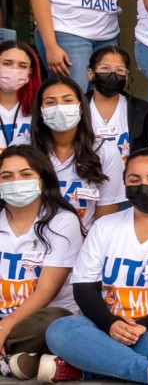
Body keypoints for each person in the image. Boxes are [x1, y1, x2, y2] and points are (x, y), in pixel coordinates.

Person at [43, 148, 148, 385]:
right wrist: (110, 324)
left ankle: (90, 367)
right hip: (109, 326)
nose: (144, 186)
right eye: (134, 180)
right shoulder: (104, 226)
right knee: (60, 330)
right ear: (124, 184)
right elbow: (84, 286)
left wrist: (144, 325)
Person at [0, 145, 85, 378]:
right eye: (6, 176)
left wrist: (5, 327)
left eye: (25, 174)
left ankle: (12, 354)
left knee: (55, 321)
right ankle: (15, 359)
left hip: (38, 316)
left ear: (43, 180)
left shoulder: (62, 221)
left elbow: (46, 292)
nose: (16, 182)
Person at [30, 76, 125, 225]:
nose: (59, 108)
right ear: (41, 111)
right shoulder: (24, 149)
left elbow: (105, 221)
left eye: (67, 100)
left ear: (81, 107)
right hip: (32, 237)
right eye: (50, 102)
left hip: (85, 238)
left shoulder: (106, 151)